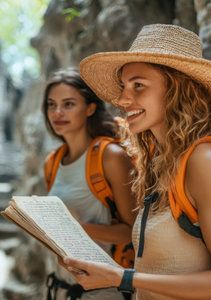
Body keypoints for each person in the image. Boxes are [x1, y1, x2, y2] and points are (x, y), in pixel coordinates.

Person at [61, 24, 211, 299]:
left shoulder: (208, 161)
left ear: (178, 88)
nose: (123, 99)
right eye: (123, 86)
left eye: (138, 85)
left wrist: (123, 277)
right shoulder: (160, 163)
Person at [41, 68, 137, 300]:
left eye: (69, 104)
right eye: (51, 105)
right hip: (60, 287)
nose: (58, 112)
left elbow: (133, 233)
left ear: (90, 108)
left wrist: (72, 229)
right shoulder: (53, 162)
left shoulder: (111, 156)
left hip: (105, 291)